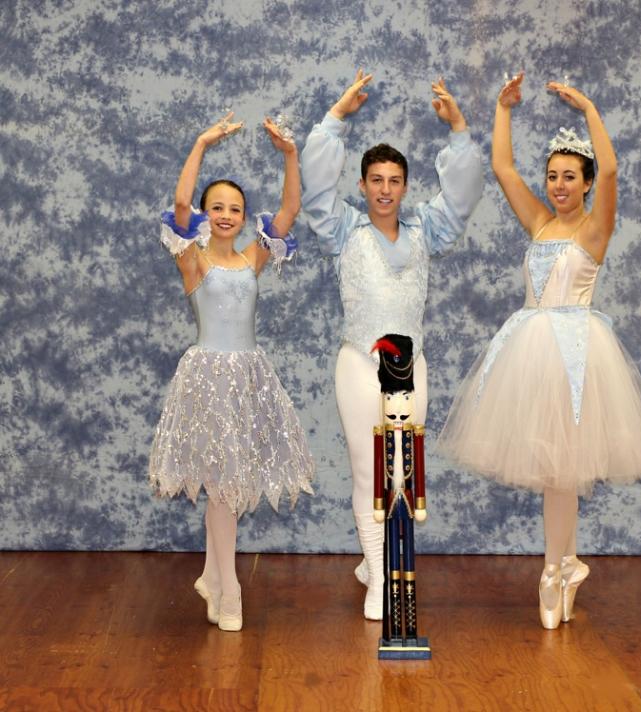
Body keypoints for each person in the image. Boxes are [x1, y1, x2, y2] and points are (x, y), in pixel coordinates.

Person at [437, 74, 641, 629]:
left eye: (570, 177)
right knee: (551, 469)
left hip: (576, 355)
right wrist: (501, 108)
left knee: (564, 470)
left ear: (586, 184)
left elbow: (612, 169)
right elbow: (502, 169)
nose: (559, 185)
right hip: (531, 354)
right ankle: (561, 566)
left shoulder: (595, 230)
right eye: (554, 176)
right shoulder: (539, 223)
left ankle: (556, 570)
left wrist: (588, 105)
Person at [301, 70, 483, 620]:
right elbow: (313, 185)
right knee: (368, 470)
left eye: (394, 181)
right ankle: (380, 574)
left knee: (403, 471)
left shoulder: (427, 230)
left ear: (406, 187)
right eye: (375, 180)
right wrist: (337, 115)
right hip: (359, 362)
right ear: (361, 186)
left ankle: (383, 557)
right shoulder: (343, 230)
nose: (384, 190)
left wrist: (458, 130)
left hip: (412, 366)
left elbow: (463, 192)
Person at [149, 112, 315, 632]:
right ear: (205, 214)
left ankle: (212, 576)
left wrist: (289, 153)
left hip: (246, 378)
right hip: (206, 377)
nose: (225, 215)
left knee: (229, 484)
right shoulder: (193, 261)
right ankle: (230, 588)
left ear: (244, 218)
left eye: (234, 209)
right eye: (216, 207)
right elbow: (178, 205)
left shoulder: (252, 259)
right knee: (223, 486)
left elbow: (290, 209)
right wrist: (200, 141)